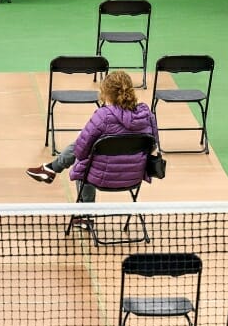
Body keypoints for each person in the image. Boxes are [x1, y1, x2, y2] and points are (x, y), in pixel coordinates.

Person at [26, 71, 158, 229]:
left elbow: (81, 152)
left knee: (83, 156)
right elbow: (153, 146)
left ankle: (85, 214)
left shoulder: (103, 116)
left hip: (102, 177)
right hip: (133, 177)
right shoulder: (147, 115)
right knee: (86, 148)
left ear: (106, 93)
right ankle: (51, 169)